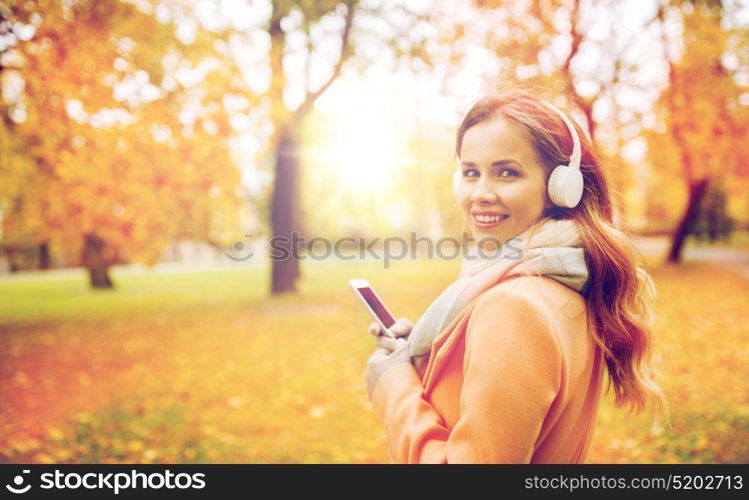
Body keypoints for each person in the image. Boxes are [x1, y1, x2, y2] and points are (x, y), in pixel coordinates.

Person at [363, 88, 668, 464]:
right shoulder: (569, 281)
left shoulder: (514, 307)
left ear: (561, 188)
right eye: (470, 173)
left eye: (507, 172)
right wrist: (428, 357)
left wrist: (394, 388)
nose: (480, 193)